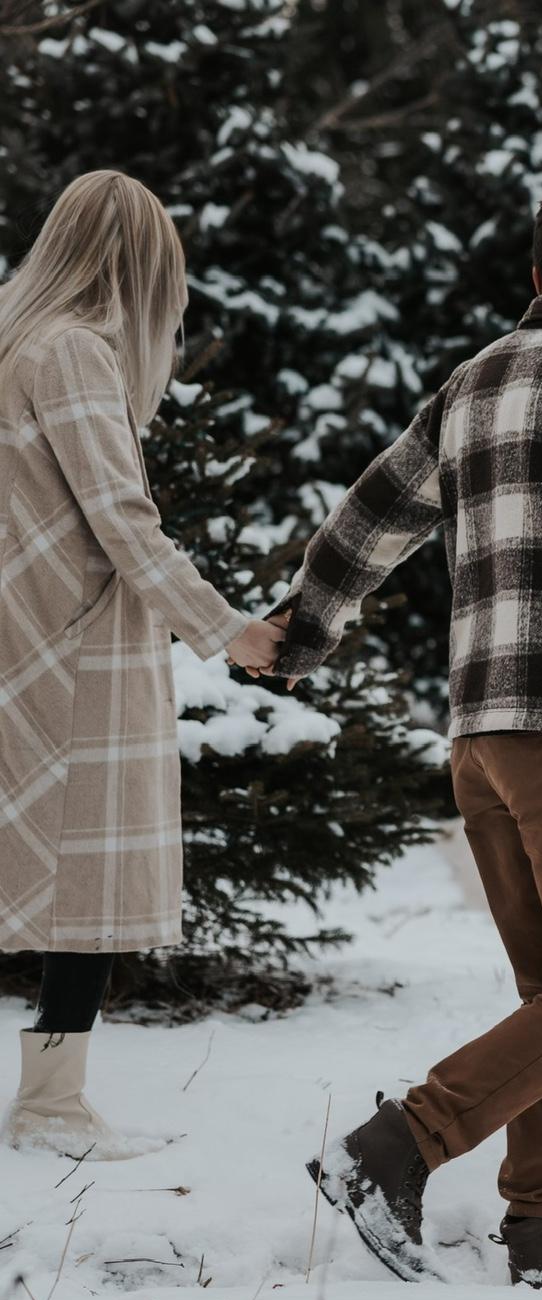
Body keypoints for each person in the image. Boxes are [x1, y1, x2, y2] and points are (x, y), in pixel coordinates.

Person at [276, 183, 542, 1284]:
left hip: (478, 736)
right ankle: (396, 1144)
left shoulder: (472, 378)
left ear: (533, 277)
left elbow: (370, 516)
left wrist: (302, 631)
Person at [0, 171, 284, 1158]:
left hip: (15, 637)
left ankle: (49, 1100)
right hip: (70, 651)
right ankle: (49, 1105)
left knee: (30, 870)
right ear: (137, 268)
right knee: (82, 886)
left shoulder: (7, 338)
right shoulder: (71, 351)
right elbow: (121, 516)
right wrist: (227, 626)